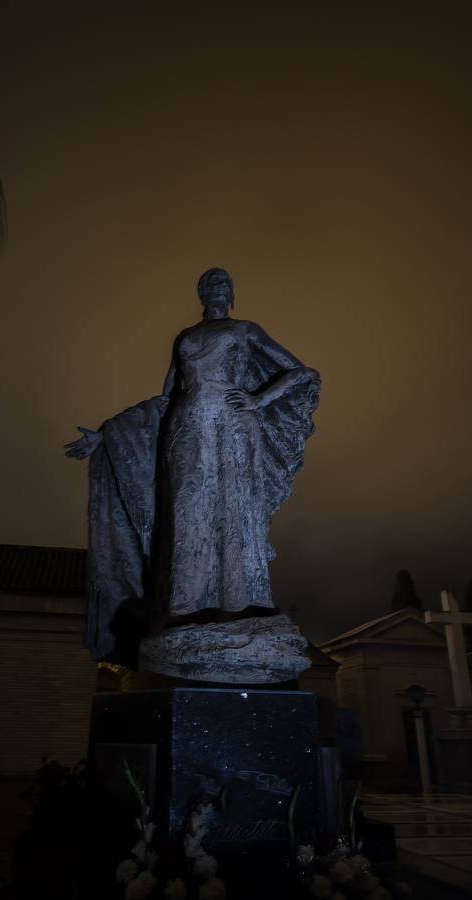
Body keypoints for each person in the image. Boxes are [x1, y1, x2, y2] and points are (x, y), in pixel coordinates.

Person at [65, 268, 320, 662]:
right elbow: (166, 397)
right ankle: (185, 607)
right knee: (188, 512)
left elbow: (301, 371)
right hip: (187, 426)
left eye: (224, 285)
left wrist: (259, 399)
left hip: (235, 424)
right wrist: (104, 435)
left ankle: (243, 603)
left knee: (236, 509)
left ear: (231, 293)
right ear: (201, 293)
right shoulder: (184, 337)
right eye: (210, 284)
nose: (217, 289)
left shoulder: (245, 329)